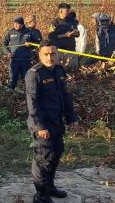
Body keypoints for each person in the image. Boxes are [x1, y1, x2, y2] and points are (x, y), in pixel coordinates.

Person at [24, 41, 79, 203]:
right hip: (42, 123)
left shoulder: (59, 70)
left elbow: (65, 95)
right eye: (46, 54)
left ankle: (49, 187)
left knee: (56, 153)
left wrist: (72, 117)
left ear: (57, 54)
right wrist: (39, 126)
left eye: (53, 53)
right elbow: (32, 103)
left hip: (57, 120)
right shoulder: (34, 74)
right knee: (44, 158)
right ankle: (40, 195)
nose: (50, 57)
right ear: (39, 55)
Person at [3, 17, 38, 92]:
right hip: (14, 59)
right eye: (14, 23)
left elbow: (37, 44)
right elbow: (4, 44)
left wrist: (30, 45)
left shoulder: (29, 32)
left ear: (22, 24)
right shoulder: (11, 32)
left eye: (17, 24)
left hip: (25, 59)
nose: (15, 25)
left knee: (26, 77)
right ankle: (11, 90)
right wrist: (8, 53)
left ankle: (27, 91)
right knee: (12, 76)